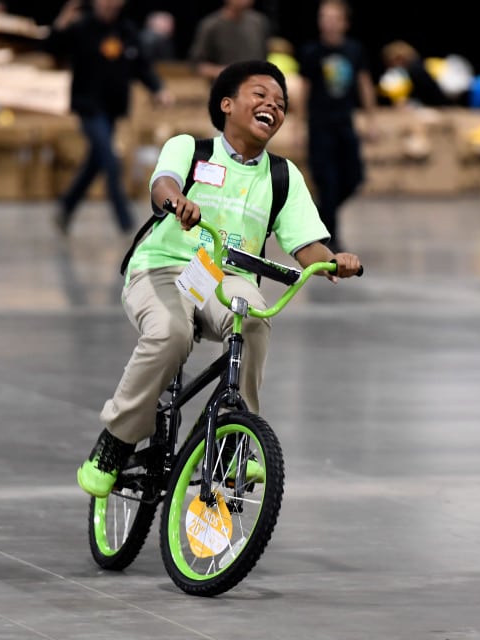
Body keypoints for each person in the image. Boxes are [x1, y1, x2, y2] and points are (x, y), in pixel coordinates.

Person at [76, 59, 363, 498]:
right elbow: (163, 184)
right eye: (261, 95)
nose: (273, 105)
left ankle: (233, 441)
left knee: (251, 320)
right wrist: (176, 201)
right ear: (227, 104)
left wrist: (333, 259)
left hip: (226, 277)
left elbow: (307, 246)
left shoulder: (283, 177)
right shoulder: (189, 149)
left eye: (281, 103)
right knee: (171, 334)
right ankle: (116, 438)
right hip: (165, 266)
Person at [45, 0, 172, 235]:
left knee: (95, 163)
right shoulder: (82, 27)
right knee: (111, 161)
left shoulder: (126, 30)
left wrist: (158, 89)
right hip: (88, 107)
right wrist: (62, 22)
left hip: (113, 108)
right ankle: (127, 225)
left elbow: (141, 66)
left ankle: (66, 208)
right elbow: (53, 49)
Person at [297, 0, 378, 253]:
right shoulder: (312, 52)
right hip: (320, 126)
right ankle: (330, 238)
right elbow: (304, 89)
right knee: (327, 182)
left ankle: (320, 216)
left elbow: (364, 83)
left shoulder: (354, 50)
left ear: (344, 22)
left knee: (354, 177)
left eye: (333, 17)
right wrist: (299, 125)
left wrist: (371, 118)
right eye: (324, 16)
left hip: (345, 124)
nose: (328, 22)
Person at [188, 0, 271, 82]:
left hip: (257, 86)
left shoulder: (259, 22)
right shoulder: (211, 26)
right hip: (225, 88)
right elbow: (197, 65)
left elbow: (265, 57)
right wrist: (226, 72)